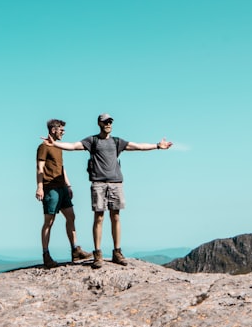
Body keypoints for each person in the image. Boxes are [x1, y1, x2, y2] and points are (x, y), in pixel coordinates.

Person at [43, 113, 172, 269]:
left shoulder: (117, 142)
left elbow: (138, 146)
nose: (108, 124)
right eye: (105, 122)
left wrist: (158, 146)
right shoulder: (92, 141)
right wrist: (55, 144)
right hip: (98, 184)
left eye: (110, 121)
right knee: (99, 217)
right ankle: (98, 254)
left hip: (116, 183)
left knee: (115, 216)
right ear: (99, 123)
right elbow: (73, 146)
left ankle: (117, 252)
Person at [36, 118, 91, 267]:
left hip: (62, 187)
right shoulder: (43, 147)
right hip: (50, 187)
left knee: (71, 216)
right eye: (61, 129)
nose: (63, 132)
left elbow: (61, 167)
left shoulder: (58, 146)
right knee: (49, 221)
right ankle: (46, 254)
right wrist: (40, 187)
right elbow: (40, 168)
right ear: (53, 130)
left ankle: (75, 250)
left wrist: (68, 185)